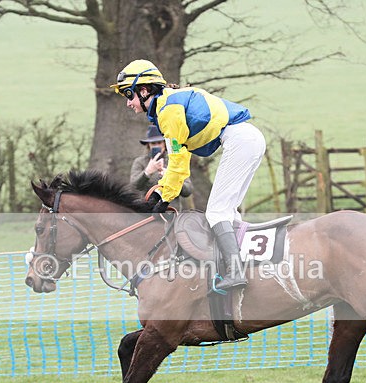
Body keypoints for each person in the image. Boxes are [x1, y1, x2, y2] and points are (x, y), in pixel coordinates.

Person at [111, 59, 265, 290]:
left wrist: (164, 196)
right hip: (247, 138)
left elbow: (178, 160)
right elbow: (179, 159)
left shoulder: (168, 111)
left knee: (216, 212)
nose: (128, 103)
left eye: (129, 95)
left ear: (143, 91)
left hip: (240, 140)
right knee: (228, 212)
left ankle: (236, 271)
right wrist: (164, 191)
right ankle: (244, 264)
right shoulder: (168, 104)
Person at [129, 124, 193, 210]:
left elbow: (188, 191)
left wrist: (172, 178)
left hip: (172, 211)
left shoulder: (175, 160)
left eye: (159, 142)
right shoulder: (140, 162)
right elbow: (134, 186)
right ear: (148, 145)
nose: (156, 146)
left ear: (165, 144)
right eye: (153, 143)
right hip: (147, 211)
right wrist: (147, 172)